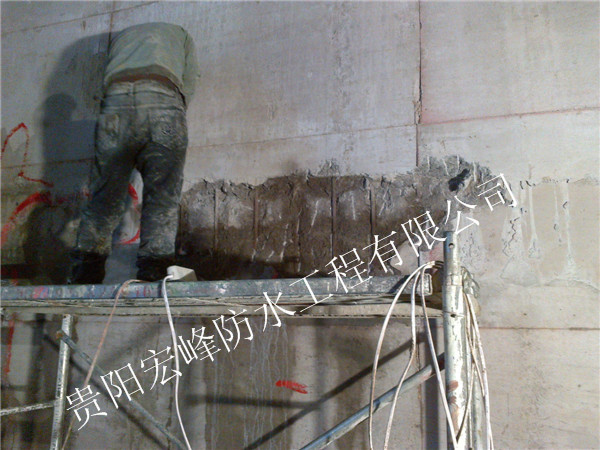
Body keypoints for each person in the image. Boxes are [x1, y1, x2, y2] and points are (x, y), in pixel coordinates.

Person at [69, 22, 198, 283]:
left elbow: (102, 81)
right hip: (162, 97)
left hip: (115, 102)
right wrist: (172, 112)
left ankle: (85, 272)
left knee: (104, 196)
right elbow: (190, 80)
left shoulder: (120, 38)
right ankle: (154, 269)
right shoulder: (181, 35)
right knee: (162, 195)